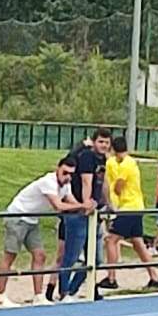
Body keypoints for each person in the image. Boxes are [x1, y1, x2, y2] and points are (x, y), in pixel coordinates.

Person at [0, 159, 83, 303]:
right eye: (65, 173)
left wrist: (86, 207)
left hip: (32, 219)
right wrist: (82, 205)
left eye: (71, 174)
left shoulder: (65, 185)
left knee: (40, 255)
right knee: (10, 256)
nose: (67, 177)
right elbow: (58, 205)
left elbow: (72, 202)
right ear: (58, 169)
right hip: (17, 216)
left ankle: (38, 296)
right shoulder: (48, 182)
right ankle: (0, 296)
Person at [103, 134, 158, 291]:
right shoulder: (121, 162)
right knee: (137, 243)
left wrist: (113, 190)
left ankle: (111, 278)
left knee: (111, 240)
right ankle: (154, 277)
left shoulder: (127, 165)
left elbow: (118, 187)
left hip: (129, 208)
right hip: (135, 206)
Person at [59, 128, 111, 300]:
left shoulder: (103, 159)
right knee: (71, 256)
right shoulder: (87, 157)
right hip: (79, 213)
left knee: (95, 260)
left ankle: (72, 290)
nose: (103, 145)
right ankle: (64, 292)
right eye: (101, 142)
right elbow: (86, 181)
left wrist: (108, 204)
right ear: (94, 142)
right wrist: (86, 203)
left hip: (94, 213)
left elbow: (102, 183)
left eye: (107, 142)